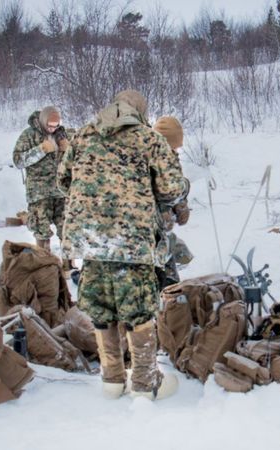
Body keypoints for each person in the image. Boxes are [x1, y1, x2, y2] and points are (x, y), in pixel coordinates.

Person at [58, 90, 188, 400]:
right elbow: (171, 189)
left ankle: (112, 381)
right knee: (139, 312)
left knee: (102, 311)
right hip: (131, 242)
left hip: (90, 240)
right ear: (141, 113)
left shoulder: (82, 135)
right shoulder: (148, 138)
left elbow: (63, 181)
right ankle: (145, 383)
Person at [13, 106, 75, 272]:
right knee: (42, 231)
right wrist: (40, 150)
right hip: (39, 193)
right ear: (42, 121)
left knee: (67, 229)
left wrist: (68, 149)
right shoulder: (29, 136)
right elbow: (18, 161)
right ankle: (45, 268)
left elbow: (79, 155)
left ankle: (69, 267)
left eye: (56, 125)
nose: (52, 128)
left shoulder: (63, 134)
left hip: (61, 191)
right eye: (50, 125)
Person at [152, 116, 192, 288]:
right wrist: (185, 188)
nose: (178, 149)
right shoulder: (161, 162)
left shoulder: (161, 158)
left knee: (170, 281)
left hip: (159, 232)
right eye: (176, 145)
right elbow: (171, 191)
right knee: (165, 284)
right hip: (154, 235)